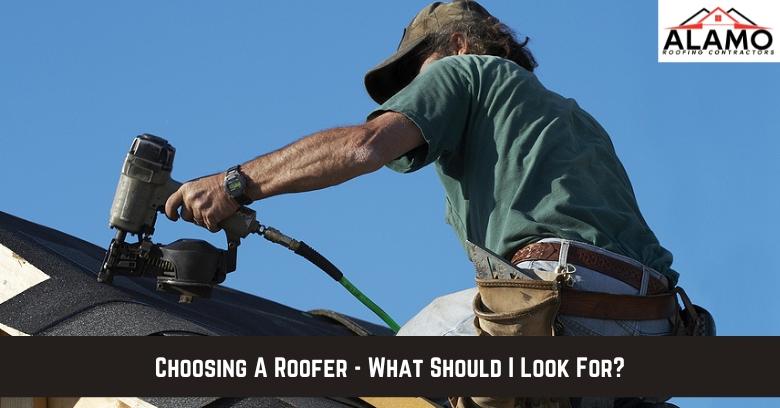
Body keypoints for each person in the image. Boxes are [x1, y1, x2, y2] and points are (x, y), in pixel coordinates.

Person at [164, 2, 681, 405]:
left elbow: (363, 147)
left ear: (457, 43)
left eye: (418, 68)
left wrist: (235, 184)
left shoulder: (468, 69)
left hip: (556, 303)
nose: (413, 88)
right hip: (655, 331)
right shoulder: (575, 119)